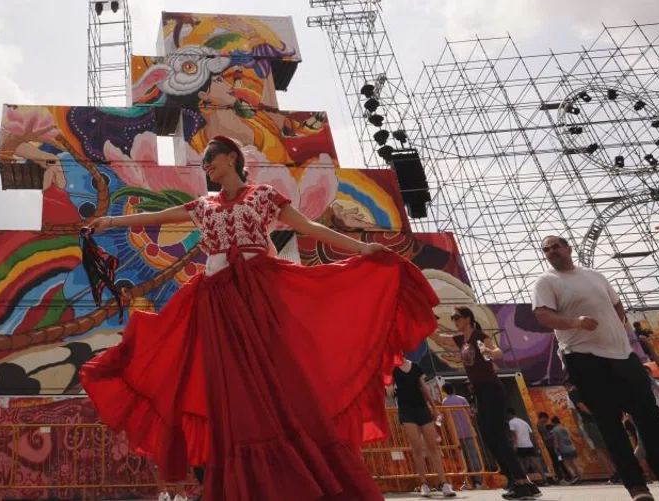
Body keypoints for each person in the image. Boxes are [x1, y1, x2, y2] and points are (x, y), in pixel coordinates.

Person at [79, 135, 439, 501]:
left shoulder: (264, 195)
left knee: (280, 380)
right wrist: (108, 221)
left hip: (260, 296)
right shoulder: (203, 205)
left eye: (211, 158)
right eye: (204, 163)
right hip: (218, 303)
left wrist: (362, 248)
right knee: (233, 389)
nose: (207, 166)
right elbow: (156, 217)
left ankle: (303, 470)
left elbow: (308, 227)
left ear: (231, 157)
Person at [532, 235, 659, 501]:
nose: (552, 251)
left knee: (650, 419)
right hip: (583, 357)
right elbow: (543, 315)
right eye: (546, 249)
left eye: (556, 246)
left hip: (623, 356)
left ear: (568, 248)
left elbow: (617, 305)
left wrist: (614, 329)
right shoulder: (546, 281)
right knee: (610, 424)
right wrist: (576, 322)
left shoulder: (595, 276)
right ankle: (637, 487)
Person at [432, 307, 540, 500]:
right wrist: (427, 322)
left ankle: (521, 482)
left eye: (457, 317)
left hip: (491, 389)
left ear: (468, 318)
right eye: (453, 318)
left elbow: (498, 352)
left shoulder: (479, 336)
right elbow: (439, 339)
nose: (455, 321)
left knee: (498, 436)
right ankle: (517, 481)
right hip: (479, 392)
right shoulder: (460, 340)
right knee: (489, 437)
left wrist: (490, 351)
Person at [390, 357, 456, 497]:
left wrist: (434, 408)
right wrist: (388, 387)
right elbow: (389, 392)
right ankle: (424, 483)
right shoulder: (392, 369)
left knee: (433, 446)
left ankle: (444, 483)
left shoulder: (415, 366)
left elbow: (425, 387)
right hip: (406, 411)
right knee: (417, 447)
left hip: (422, 408)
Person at [442, 383, 482, 489]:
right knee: (473, 455)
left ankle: (467, 481)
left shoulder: (444, 402)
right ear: (453, 389)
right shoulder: (462, 399)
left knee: (462, 458)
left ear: (444, 391)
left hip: (456, 434)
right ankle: (478, 481)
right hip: (468, 431)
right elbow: (470, 413)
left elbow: (445, 418)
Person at [506, 409, 546, 484]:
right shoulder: (524, 422)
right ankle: (544, 478)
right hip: (529, 444)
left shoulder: (511, 422)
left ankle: (525, 479)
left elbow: (514, 435)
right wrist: (534, 445)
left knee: (520, 462)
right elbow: (531, 434)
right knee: (535, 462)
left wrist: (514, 445)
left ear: (509, 415)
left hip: (520, 445)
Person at [536, 412, 567, 483]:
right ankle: (561, 477)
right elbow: (545, 438)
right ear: (542, 418)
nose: (547, 421)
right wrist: (553, 434)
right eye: (546, 419)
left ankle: (562, 476)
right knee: (557, 460)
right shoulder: (541, 426)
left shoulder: (542, 425)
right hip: (551, 446)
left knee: (558, 460)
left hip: (551, 446)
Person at [548, 417, 580, 483]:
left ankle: (574, 476)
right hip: (571, 448)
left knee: (566, 463)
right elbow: (570, 438)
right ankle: (579, 476)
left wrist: (556, 449)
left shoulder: (554, 430)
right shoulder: (565, 428)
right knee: (573, 463)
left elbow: (556, 440)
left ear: (553, 423)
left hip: (563, 449)